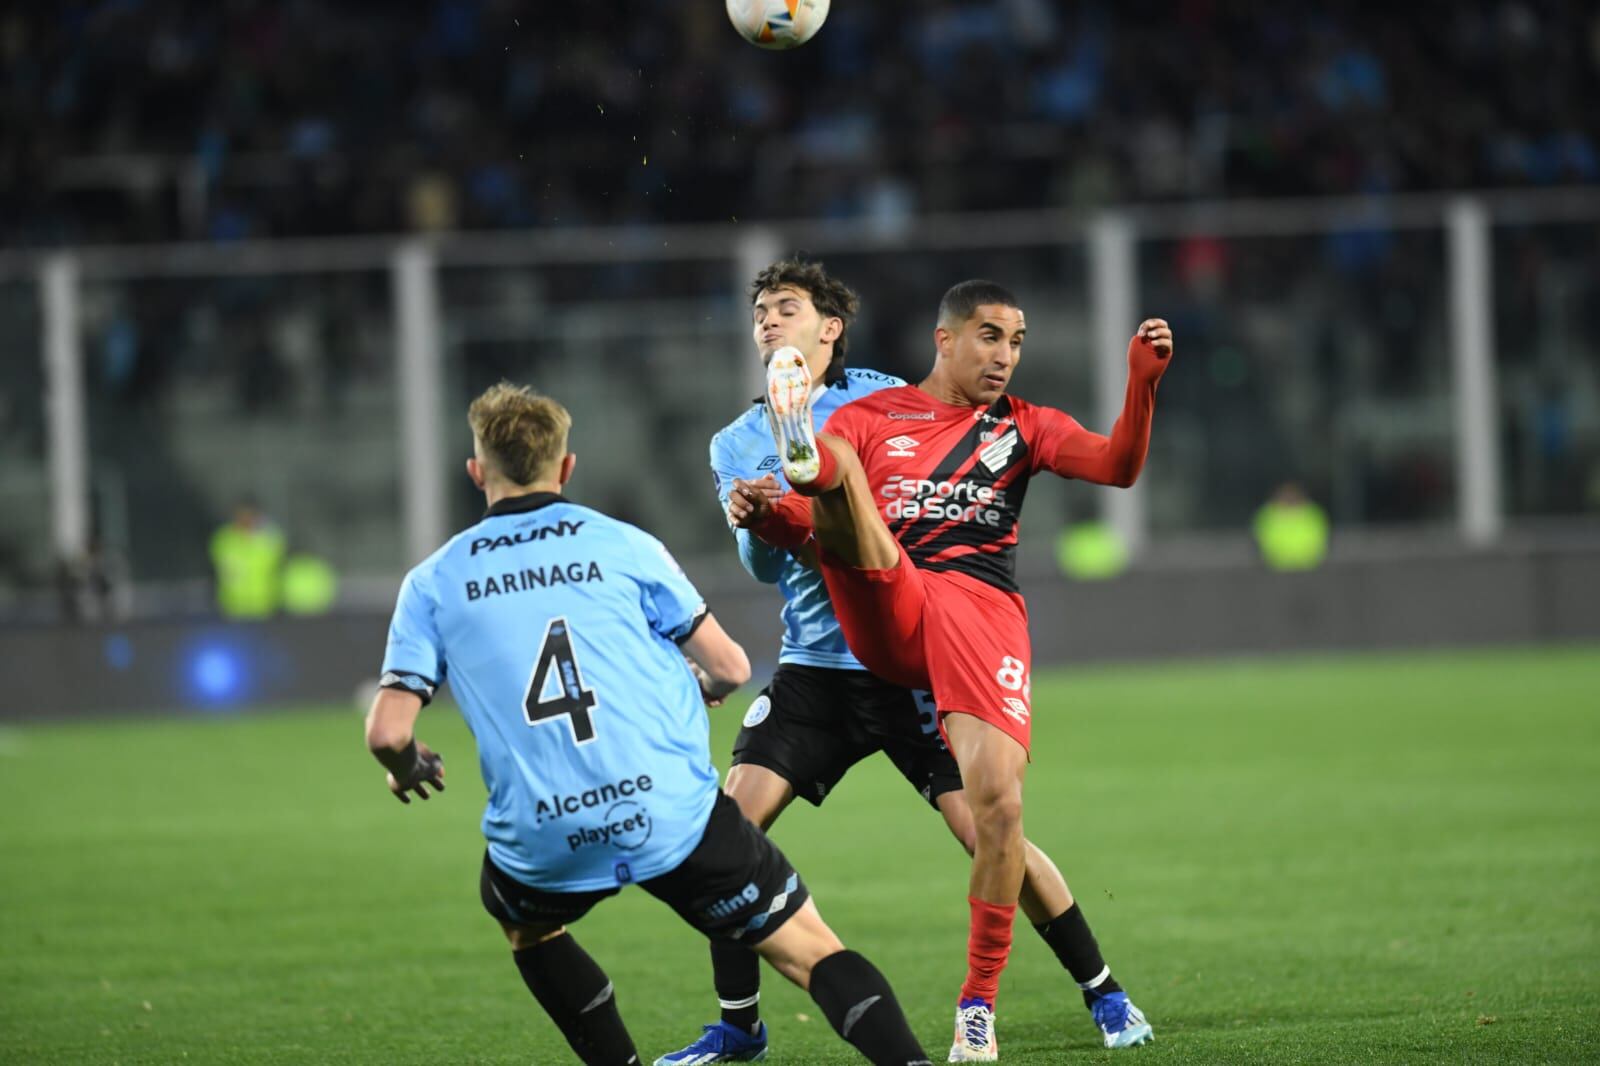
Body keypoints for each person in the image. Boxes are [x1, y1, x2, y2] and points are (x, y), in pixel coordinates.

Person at [659, 260, 1153, 1064]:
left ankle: (1101, 986)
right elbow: (756, 568)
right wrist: (759, 515)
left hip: (912, 656)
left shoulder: (888, 399)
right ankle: (739, 1027)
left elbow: (988, 463)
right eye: (759, 314)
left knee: (994, 831)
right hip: (819, 660)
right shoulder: (731, 441)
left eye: (786, 309)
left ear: (831, 327)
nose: (768, 324)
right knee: (728, 834)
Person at [365, 382, 931, 1066]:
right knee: (812, 952)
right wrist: (693, 686)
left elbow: (389, 733)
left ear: (476, 471)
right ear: (566, 467)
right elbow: (727, 665)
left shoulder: (434, 580)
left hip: (548, 832)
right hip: (668, 811)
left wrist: (409, 767)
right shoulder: (625, 545)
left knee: (529, 928)